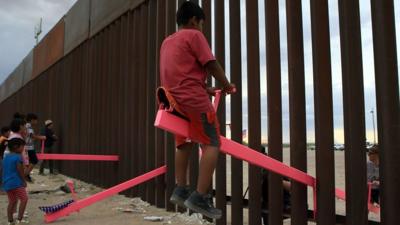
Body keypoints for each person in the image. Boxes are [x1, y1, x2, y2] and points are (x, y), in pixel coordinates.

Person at [159, 1, 235, 219]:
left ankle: (180, 188)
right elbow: (211, 63)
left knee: (184, 142)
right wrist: (226, 85)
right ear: (194, 21)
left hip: (172, 101)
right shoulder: (194, 36)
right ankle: (200, 196)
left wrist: (205, 88)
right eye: (202, 23)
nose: (202, 28)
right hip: (192, 99)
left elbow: (177, 72)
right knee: (212, 141)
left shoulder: (167, 41)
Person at [2, 138, 29, 224]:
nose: (23, 149)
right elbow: (20, 170)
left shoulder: (6, 157)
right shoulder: (18, 157)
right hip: (16, 183)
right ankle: (19, 220)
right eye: (22, 147)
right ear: (16, 147)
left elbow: (2, 170)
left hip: (7, 183)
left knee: (12, 201)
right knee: (24, 199)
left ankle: (10, 221)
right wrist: (24, 181)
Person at [25, 113, 46, 182]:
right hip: (29, 147)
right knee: (34, 160)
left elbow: (30, 136)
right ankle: (25, 175)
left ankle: (27, 175)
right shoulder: (29, 126)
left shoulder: (26, 125)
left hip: (27, 146)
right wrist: (41, 137)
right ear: (32, 120)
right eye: (35, 120)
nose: (36, 122)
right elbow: (32, 136)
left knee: (29, 162)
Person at [1, 126, 11, 191]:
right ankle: (1, 189)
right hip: (1, 158)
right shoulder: (5, 140)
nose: (10, 133)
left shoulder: (2, 138)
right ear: (5, 132)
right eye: (9, 132)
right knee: (2, 173)